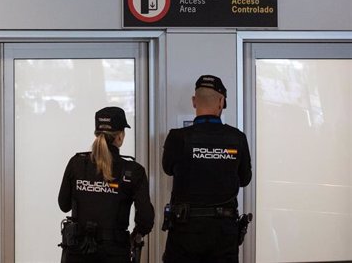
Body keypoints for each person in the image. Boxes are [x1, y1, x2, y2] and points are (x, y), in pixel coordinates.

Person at [162, 75, 252, 263]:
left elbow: (167, 169)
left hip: (185, 230)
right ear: (221, 102)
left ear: (194, 101)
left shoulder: (177, 137)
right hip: (223, 233)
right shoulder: (237, 138)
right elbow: (245, 179)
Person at [58, 106, 155, 263]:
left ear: (96, 134)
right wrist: (135, 236)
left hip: (77, 251)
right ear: (120, 137)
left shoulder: (76, 163)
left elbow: (64, 205)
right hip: (114, 252)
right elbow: (145, 219)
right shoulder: (133, 170)